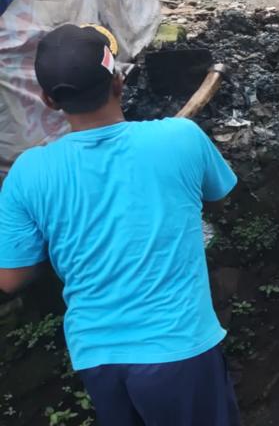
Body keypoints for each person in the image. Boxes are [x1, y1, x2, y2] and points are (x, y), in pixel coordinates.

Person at [0, 24, 241, 426]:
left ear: (47, 99)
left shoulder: (28, 173)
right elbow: (220, 194)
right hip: (178, 349)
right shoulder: (180, 137)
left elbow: (11, 278)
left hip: (99, 359)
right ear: (118, 81)